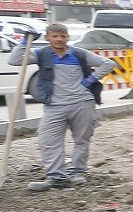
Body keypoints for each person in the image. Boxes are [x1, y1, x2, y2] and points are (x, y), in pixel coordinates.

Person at [10, 23, 115, 191]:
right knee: (48, 141)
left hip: (82, 103)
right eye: (55, 36)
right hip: (54, 105)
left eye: (63, 36)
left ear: (67, 37)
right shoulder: (41, 54)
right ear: (47, 38)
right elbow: (14, 60)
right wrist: (24, 42)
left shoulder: (79, 53)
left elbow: (108, 64)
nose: (59, 39)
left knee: (82, 139)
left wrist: (90, 80)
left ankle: (77, 172)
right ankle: (56, 177)